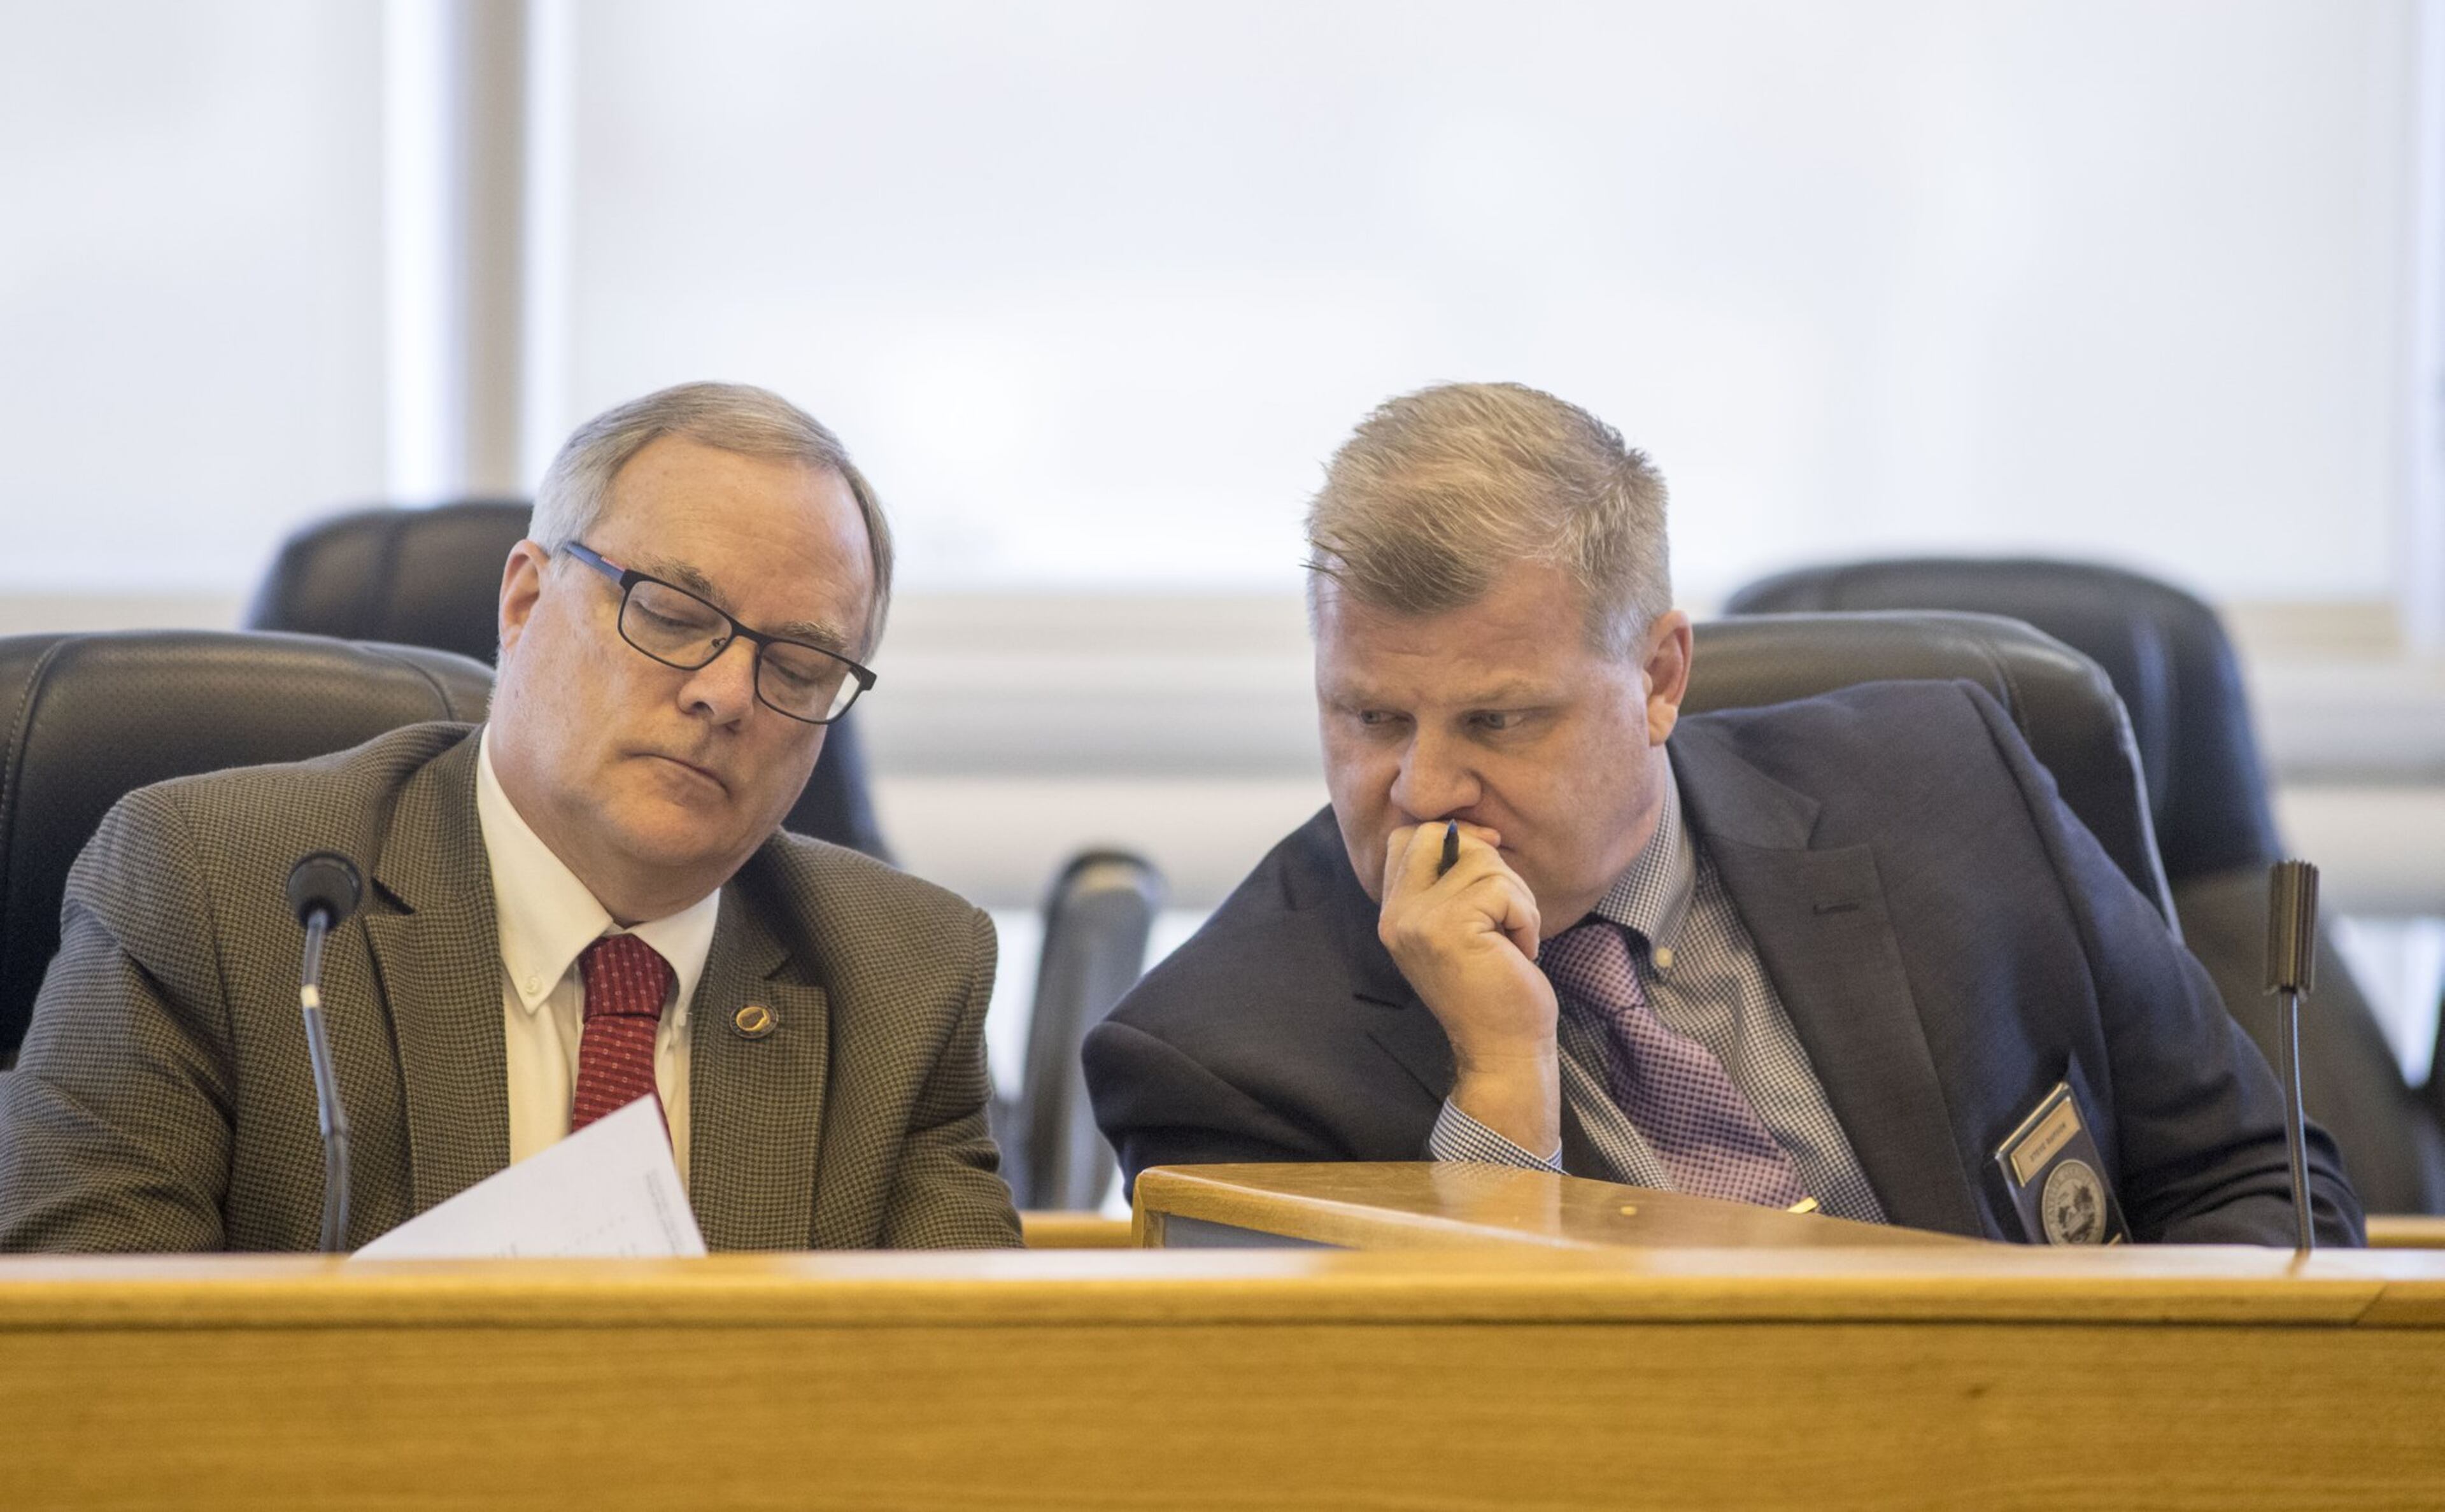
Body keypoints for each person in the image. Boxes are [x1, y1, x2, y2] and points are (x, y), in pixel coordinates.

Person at [1084, 382, 2360, 1245]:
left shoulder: (1953, 785)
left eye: (1498, 719)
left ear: (1657, 676)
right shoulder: (1220, 1050)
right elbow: (1390, 1441)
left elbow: (2252, 1183)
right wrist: (1499, 1083)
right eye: (1368, 719)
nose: (1421, 790)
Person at [0, 383, 1019, 1251]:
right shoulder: (217, 895)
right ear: (527, 603)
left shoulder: (906, 976)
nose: (727, 694)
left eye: (798, 666)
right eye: (671, 613)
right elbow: (88, 1374)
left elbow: (963, 1409)